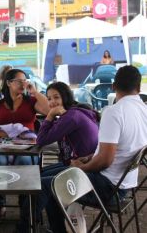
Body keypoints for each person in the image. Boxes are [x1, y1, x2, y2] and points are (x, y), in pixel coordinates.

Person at [36, 65, 147, 232]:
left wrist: (81, 167)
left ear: (113, 87)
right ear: (138, 88)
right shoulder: (143, 110)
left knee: (48, 185)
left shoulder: (114, 112)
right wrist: (88, 158)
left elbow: (105, 161)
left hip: (109, 188)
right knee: (49, 177)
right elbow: (119, 150)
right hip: (126, 184)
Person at [0, 68, 49, 221]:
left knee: (25, 161)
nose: (23, 84)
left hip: (26, 147)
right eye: (19, 81)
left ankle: (24, 204)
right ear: (8, 83)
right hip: (2, 145)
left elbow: (48, 110)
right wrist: (10, 134)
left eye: (25, 81)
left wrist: (34, 92)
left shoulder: (31, 102)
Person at [36, 82, 99, 177]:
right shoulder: (74, 112)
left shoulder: (71, 117)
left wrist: (50, 115)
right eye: (49, 99)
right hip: (80, 163)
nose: (52, 102)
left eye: (56, 97)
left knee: (38, 179)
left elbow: (41, 140)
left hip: (85, 169)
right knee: (39, 173)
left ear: (65, 97)